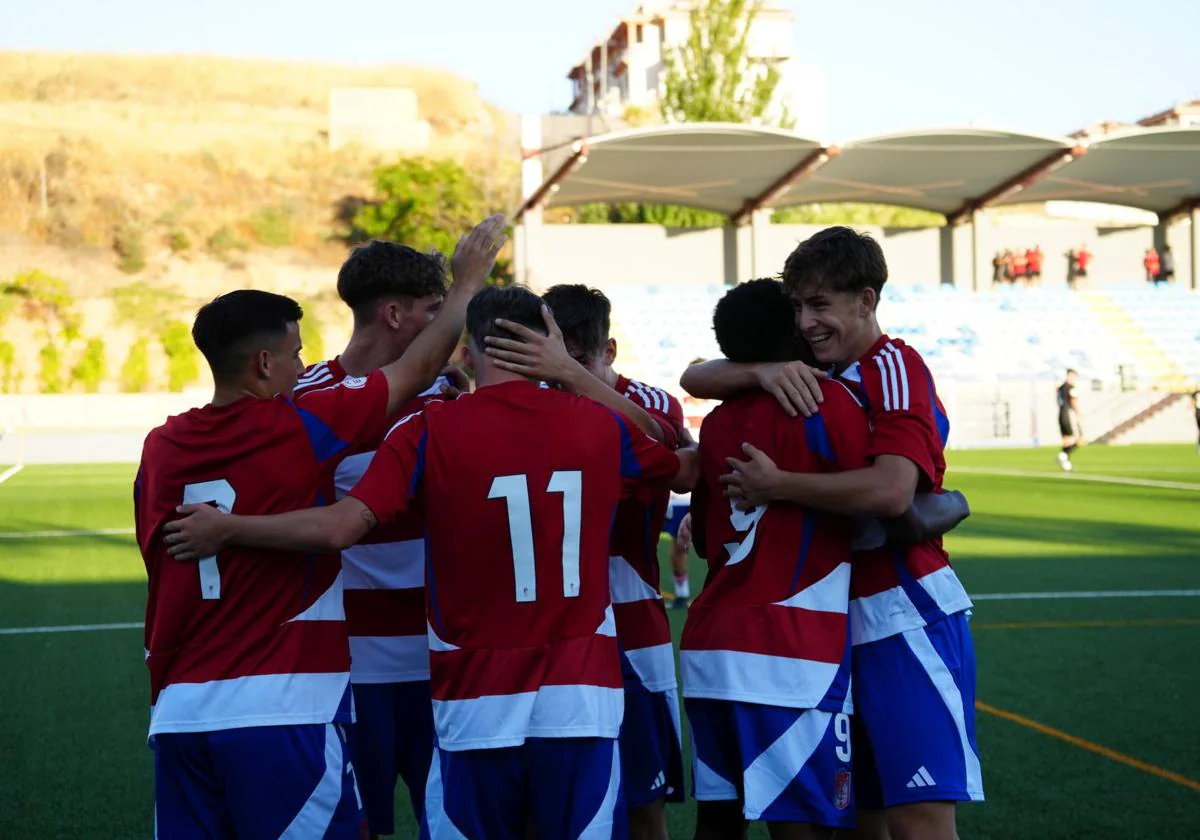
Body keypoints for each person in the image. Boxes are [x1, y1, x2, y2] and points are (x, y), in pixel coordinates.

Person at [164, 285, 697, 840]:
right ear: (552, 346)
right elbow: (683, 465)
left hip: (473, 697)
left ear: (467, 355)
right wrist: (576, 377)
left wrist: (229, 529)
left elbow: (343, 526)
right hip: (581, 695)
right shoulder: (599, 424)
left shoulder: (427, 429)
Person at [135, 214, 505, 840]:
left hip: (424, 657)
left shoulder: (163, 445)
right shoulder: (304, 415)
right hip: (307, 683)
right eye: (435, 308)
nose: (300, 361)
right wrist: (471, 283)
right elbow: (337, 524)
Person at [681, 228, 983, 840]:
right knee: (858, 812)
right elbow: (696, 375)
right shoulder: (808, 372)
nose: (807, 322)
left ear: (866, 301)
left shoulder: (890, 365)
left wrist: (780, 484)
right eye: (797, 307)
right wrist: (762, 369)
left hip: (902, 614)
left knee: (918, 817)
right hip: (827, 626)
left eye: (820, 305)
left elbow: (893, 494)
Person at [483, 282, 691, 840]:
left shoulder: (649, 403)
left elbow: (671, 454)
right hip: (550, 624)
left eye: (575, 360)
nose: (556, 372)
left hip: (631, 616)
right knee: (545, 797)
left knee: (647, 800)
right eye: (547, 359)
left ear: (609, 352)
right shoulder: (536, 404)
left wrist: (573, 381)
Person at [292, 240, 463, 837]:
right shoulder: (306, 398)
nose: (448, 321)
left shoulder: (452, 396)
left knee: (447, 825)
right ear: (395, 315)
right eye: (434, 307)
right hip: (346, 665)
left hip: (442, 659)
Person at [683, 278, 861, 840]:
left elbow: (709, 541)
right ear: (793, 332)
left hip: (712, 647)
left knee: (717, 823)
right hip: (791, 649)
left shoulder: (715, 423)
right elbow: (887, 496)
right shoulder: (827, 404)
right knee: (806, 827)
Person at [1057, 369, 1083, 471]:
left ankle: (1066, 462)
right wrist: (1078, 413)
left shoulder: (1060, 388)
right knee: (1080, 440)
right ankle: (1063, 455)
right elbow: (1073, 401)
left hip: (1061, 414)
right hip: (1069, 415)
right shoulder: (1071, 388)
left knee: (1066, 440)